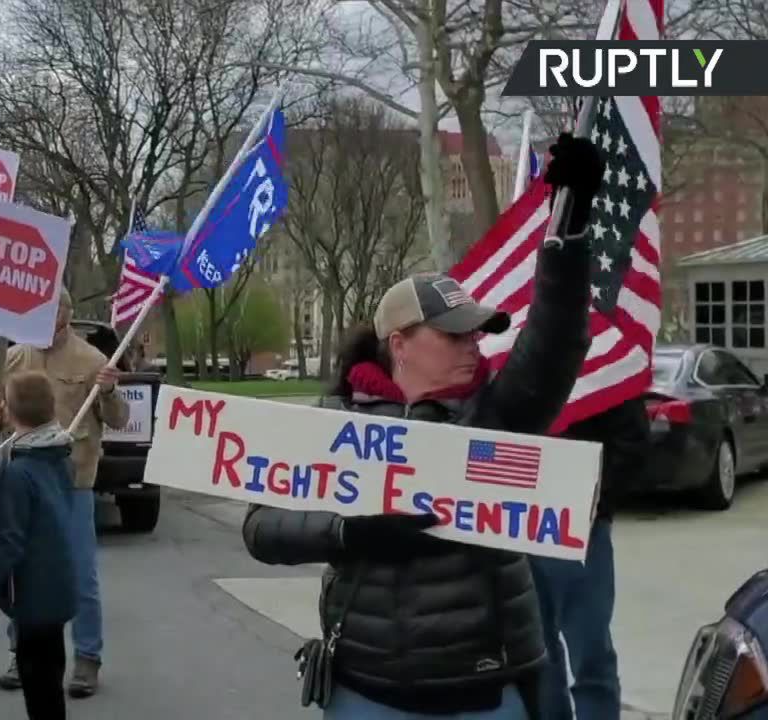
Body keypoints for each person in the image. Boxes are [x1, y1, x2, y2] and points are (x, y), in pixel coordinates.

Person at [240, 133, 606, 720]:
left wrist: (571, 229)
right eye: (454, 333)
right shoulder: (337, 423)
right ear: (400, 344)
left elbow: (555, 345)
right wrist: (349, 532)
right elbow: (260, 530)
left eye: (476, 332)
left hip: (485, 694)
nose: (473, 346)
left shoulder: (495, 416)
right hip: (366, 692)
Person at [0, 287, 129, 698]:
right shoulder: (12, 358)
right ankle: (20, 651)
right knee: (22, 574)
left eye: (54, 308)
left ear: (67, 312)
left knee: (79, 573)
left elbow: (117, 419)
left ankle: (86, 658)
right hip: (22, 481)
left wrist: (112, 391)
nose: (47, 316)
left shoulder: (93, 360)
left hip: (72, 484)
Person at [0, 370, 78, 720]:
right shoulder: (59, 456)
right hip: (58, 585)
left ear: (10, 411)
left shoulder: (19, 472)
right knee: (51, 676)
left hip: (33, 594)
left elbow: (9, 541)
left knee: (37, 683)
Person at [529, 396, 649, 720]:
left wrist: (596, 499)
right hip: (518, 526)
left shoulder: (602, 360)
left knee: (590, 651)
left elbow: (633, 441)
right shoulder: (507, 355)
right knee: (538, 652)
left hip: (581, 529)